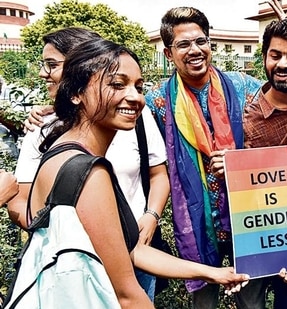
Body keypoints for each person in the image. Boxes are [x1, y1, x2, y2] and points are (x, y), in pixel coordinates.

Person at [16, 37, 248, 308]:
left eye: (138, 86)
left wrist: (212, 273)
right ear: (76, 93)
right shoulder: (88, 172)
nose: (135, 97)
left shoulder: (59, 149)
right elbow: (127, 296)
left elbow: (129, 250)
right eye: (117, 84)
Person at [9, 27, 169, 300]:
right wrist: (64, 234)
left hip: (137, 249)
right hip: (76, 266)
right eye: (118, 84)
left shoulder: (135, 118)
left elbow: (158, 174)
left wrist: (150, 217)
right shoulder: (46, 131)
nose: (43, 74)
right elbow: (26, 202)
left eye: (52, 65)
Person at [144, 7, 263, 308]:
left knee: (252, 300)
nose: (195, 50)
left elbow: (279, 125)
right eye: (183, 44)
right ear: (169, 53)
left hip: (247, 215)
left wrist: (239, 162)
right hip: (196, 221)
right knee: (203, 303)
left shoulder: (244, 87)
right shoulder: (157, 103)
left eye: (201, 41)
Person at [208, 16, 287, 309]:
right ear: (265, 56)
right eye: (275, 55)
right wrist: (227, 166)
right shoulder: (245, 107)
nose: (283, 64)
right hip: (251, 231)